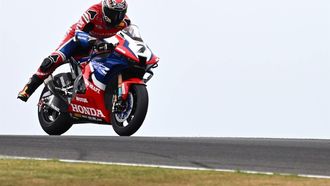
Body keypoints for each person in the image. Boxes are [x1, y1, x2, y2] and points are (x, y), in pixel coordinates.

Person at [17, 0, 131, 102]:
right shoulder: (93, 13)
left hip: (97, 41)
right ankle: (28, 89)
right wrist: (94, 42)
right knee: (53, 60)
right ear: (104, 9)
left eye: (120, 13)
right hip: (77, 37)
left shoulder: (125, 22)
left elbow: (129, 38)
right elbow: (79, 32)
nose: (116, 17)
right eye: (113, 13)